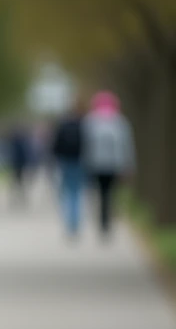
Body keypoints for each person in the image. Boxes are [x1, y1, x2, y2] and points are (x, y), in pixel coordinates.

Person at [82, 91, 135, 238]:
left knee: (99, 192)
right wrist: (129, 164)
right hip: (114, 164)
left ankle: (102, 219)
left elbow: (85, 144)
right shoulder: (120, 121)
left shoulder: (90, 121)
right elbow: (127, 145)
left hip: (95, 163)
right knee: (109, 192)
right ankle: (106, 220)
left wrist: (85, 162)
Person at [51, 108, 85, 237]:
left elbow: (55, 146)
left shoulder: (62, 127)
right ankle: (75, 221)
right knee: (77, 192)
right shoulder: (82, 127)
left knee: (67, 192)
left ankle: (68, 222)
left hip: (65, 162)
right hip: (79, 162)